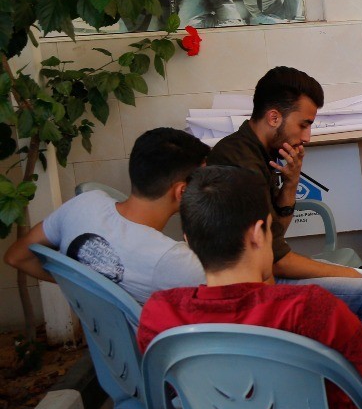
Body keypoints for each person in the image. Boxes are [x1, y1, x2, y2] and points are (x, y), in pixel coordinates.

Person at [137, 166, 362, 409]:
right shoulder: (310, 309)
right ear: (258, 233)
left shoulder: (159, 315)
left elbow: (167, 400)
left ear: (189, 240)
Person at [206, 67, 362, 334]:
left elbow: (276, 234)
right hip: (254, 289)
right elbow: (277, 260)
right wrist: (352, 274)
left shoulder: (259, 151)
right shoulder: (241, 163)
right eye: (303, 125)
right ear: (273, 117)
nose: (307, 137)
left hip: (268, 270)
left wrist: (291, 183)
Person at [6, 127, 209, 304]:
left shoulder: (83, 204)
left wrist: (84, 285)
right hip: (153, 338)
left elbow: (17, 257)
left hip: (102, 335)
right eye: (204, 180)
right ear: (182, 191)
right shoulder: (176, 260)